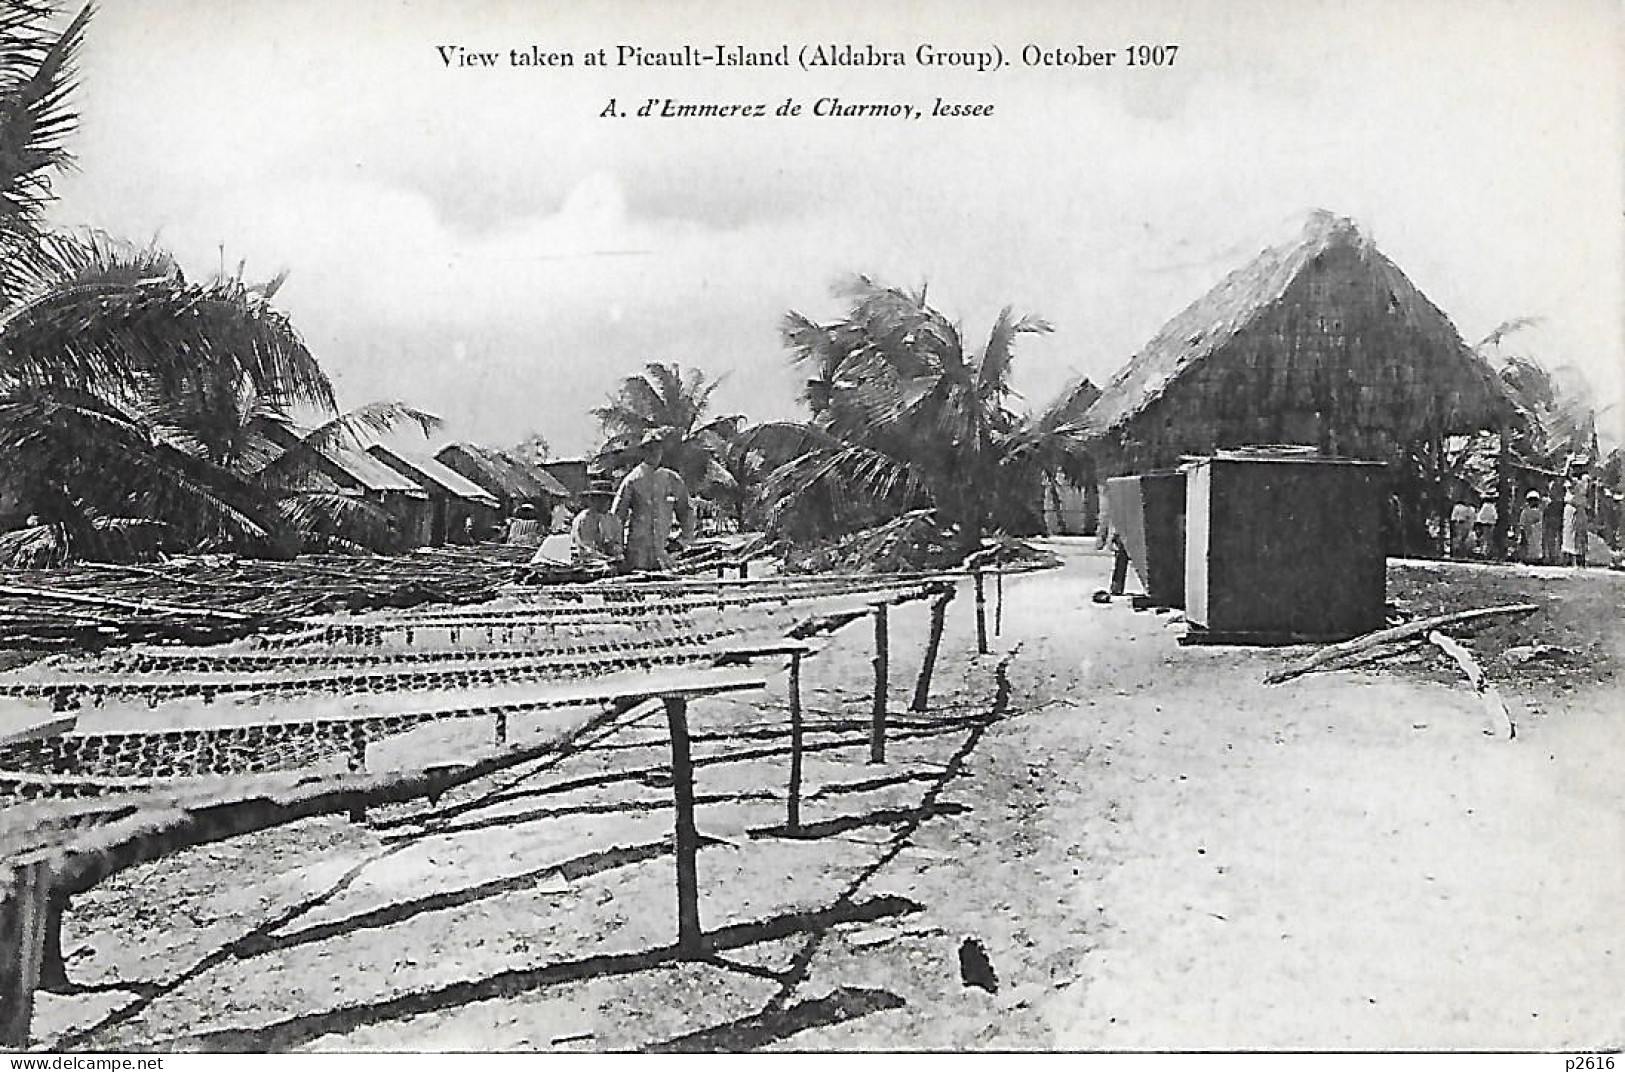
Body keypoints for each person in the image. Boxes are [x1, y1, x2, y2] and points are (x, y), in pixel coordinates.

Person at [612, 432, 694, 572]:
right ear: (643, 451)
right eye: (649, 448)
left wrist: (682, 541)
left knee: (669, 590)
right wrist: (618, 550)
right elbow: (617, 517)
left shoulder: (672, 479)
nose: (654, 452)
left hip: (665, 552)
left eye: (658, 448)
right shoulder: (632, 480)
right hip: (637, 552)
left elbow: (686, 511)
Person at [569, 480, 622, 567]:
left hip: (610, 562)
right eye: (599, 498)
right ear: (591, 500)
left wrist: (613, 549)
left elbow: (618, 544)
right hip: (585, 562)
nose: (604, 502)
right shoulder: (583, 519)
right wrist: (603, 557)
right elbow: (585, 548)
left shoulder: (614, 520)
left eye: (607, 499)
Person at [1516, 489, 1544, 564]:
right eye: (1531, 500)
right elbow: (1522, 523)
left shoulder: (1540, 511)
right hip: (1528, 532)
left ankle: (1537, 559)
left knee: (1537, 546)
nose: (1533, 502)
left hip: (1537, 533)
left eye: (1535, 500)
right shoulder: (1525, 512)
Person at [1473, 494, 1498, 558]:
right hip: (1489, 524)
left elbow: (1480, 516)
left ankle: (1482, 551)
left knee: (1483, 538)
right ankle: (1486, 552)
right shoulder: (1492, 506)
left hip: (1483, 524)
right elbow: (1495, 516)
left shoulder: (1483, 506)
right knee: (1488, 539)